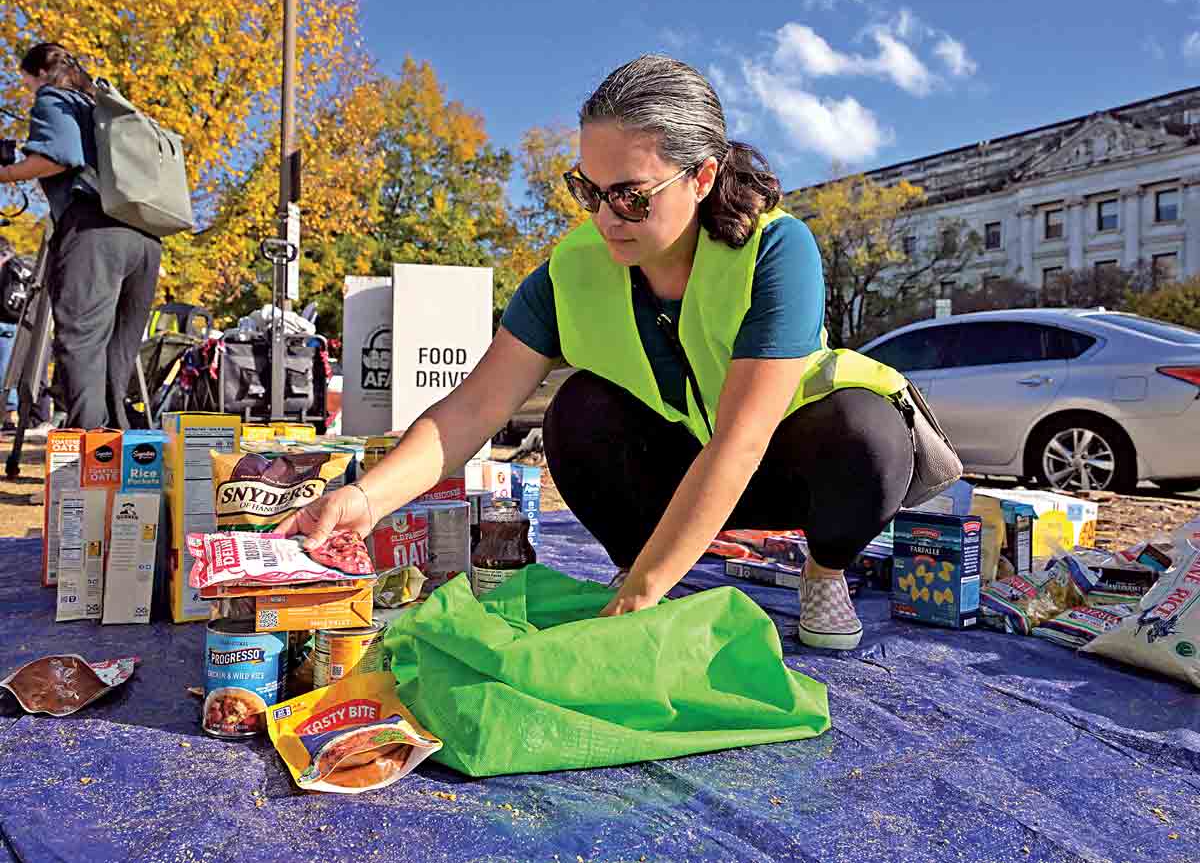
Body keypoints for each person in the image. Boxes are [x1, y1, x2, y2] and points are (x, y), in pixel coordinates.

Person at [285, 55, 916, 650]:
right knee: (577, 409)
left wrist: (639, 602)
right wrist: (361, 501)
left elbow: (742, 440)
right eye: (590, 192)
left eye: (632, 195)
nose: (608, 217)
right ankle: (642, 562)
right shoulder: (569, 272)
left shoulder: (777, 251)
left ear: (702, 177)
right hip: (678, 471)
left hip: (785, 468)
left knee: (869, 433)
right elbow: (472, 410)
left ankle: (823, 572)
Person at [0, 43, 160, 430]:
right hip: (145, 235)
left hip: (94, 232)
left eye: (26, 83)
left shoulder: (54, 98)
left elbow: (60, 154)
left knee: (82, 346)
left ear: (39, 73)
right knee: (117, 354)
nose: (28, 92)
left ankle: (88, 467)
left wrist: (7, 173)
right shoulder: (100, 107)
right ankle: (120, 460)